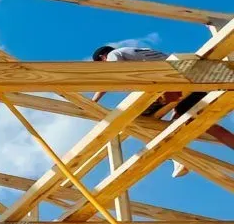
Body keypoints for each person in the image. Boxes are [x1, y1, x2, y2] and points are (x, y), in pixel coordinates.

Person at [91, 44, 234, 178]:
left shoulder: (114, 55)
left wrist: (93, 101)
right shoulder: (137, 52)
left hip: (171, 81)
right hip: (195, 79)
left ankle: (176, 155)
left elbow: (112, 74)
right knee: (185, 119)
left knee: (138, 121)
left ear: (103, 57)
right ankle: (178, 157)